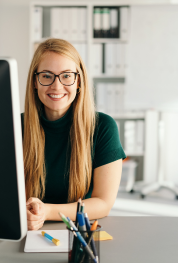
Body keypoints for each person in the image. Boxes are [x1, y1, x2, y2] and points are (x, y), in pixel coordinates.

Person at [22, 38, 126, 230]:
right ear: (35, 82)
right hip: (26, 230)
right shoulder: (15, 127)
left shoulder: (103, 127)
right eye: (46, 75)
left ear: (78, 81)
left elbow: (103, 204)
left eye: (66, 76)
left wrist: (46, 212)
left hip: (80, 233)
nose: (56, 85)